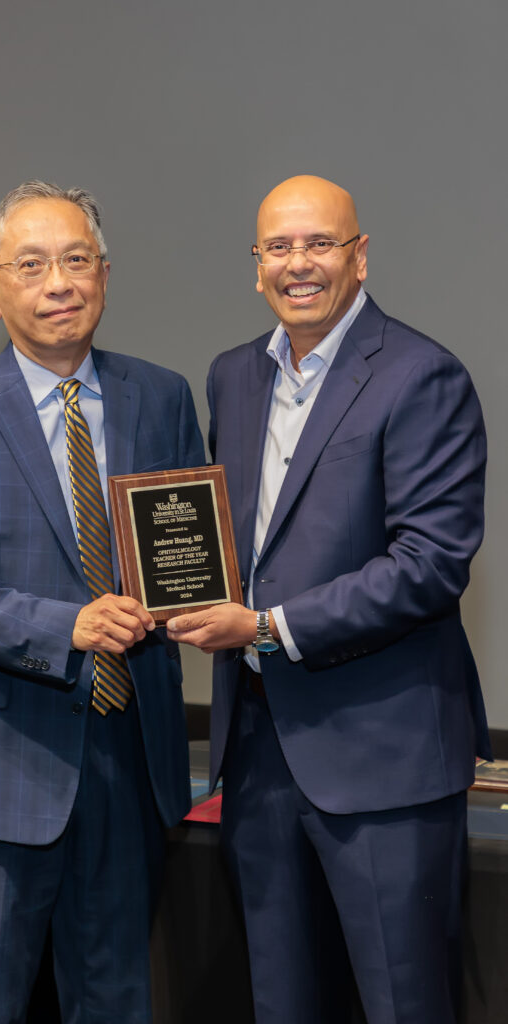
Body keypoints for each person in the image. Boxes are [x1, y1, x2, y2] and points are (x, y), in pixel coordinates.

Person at [167, 175, 490, 1024]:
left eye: (319, 243)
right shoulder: (233, 376)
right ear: (255, 264)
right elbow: (237, 542)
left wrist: (266, 627)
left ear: (359, 254)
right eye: (278, 246)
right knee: (281, 1002)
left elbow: (427, 562)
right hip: (259, 751)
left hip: (382, 758)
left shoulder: (422, 375)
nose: (297, 264)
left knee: (401, 1003)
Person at [0, 180, 205, 1024]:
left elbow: (181, 548)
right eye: (31, 264)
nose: (58, 282)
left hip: (128, 762)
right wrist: (63, 625)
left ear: (105, 273)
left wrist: (203, 603)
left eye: (76, 260)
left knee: (116, 1003)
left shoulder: (162, 396)